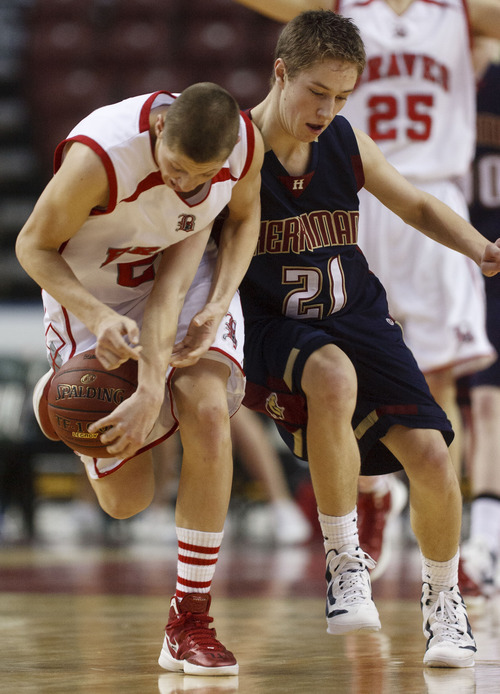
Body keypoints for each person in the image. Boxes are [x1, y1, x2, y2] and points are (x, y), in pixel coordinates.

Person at [226, 10, 500, 667]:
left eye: (343, 96)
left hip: (356, 313)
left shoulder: (346, 141)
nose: (328, 110)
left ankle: (444, 605)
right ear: (281, 70)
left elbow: (419, 205)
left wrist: (482, 250)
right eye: (318, 93)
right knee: (332, 377)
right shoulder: (236, 150)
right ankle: (346, 559)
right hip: (275, 325)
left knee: (434, 454)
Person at [15, 82, 264, 676]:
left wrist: (219, 301)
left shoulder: (242, 147)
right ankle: (58, 400)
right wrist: (99, 317)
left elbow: (237, 223)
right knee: (128, 503)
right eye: (176, 169)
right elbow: (32, 246)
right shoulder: (100, 157)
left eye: (200, 175)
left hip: (179, 277)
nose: (184, 184)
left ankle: (190, 619)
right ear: (157, 134)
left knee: (206, 408)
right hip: (90, 290)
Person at [460, 38, 500, 598]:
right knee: (471, 407)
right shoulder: (420, 88)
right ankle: (477, 539)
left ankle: (485, 539)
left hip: (494, 260)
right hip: (455, 258)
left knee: (488, 406)